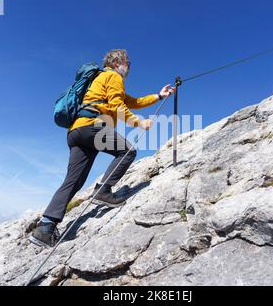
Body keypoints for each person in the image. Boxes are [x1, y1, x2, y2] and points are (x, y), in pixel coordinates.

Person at [30, 49, 176, 247]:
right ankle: (103, 191)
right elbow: (117, 105)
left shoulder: (100, 78)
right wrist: (138, 123)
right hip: (93, 126)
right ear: (117, 63)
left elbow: (132, 101)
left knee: (73, 180)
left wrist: (159, 96)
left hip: (77, 131)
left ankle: (45, 228)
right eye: (128, 63)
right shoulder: (113, 76)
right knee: (127, 151)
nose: (130, 67)